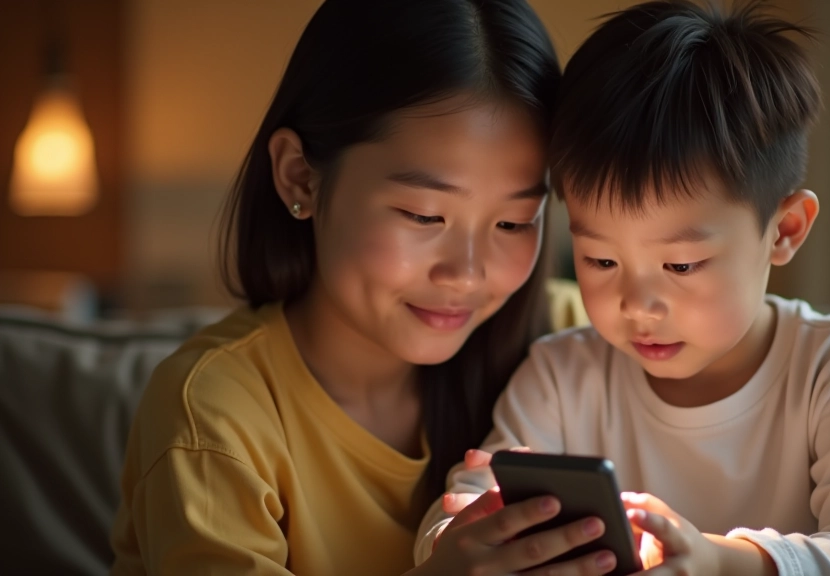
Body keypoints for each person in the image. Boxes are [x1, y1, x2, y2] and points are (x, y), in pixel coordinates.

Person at [416, 2, 830, 575]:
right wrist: (455, 534)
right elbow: (468, 498)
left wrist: (721, 563)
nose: (637, 305)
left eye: (681, 266)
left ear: (784, 230)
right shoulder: (561, 378)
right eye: (601, 260)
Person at [109, 1, 613, 574]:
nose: (467, 274)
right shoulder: (214, 415)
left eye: (513, 223)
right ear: (299, 176)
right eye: (424, 216)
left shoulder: (580, 343)